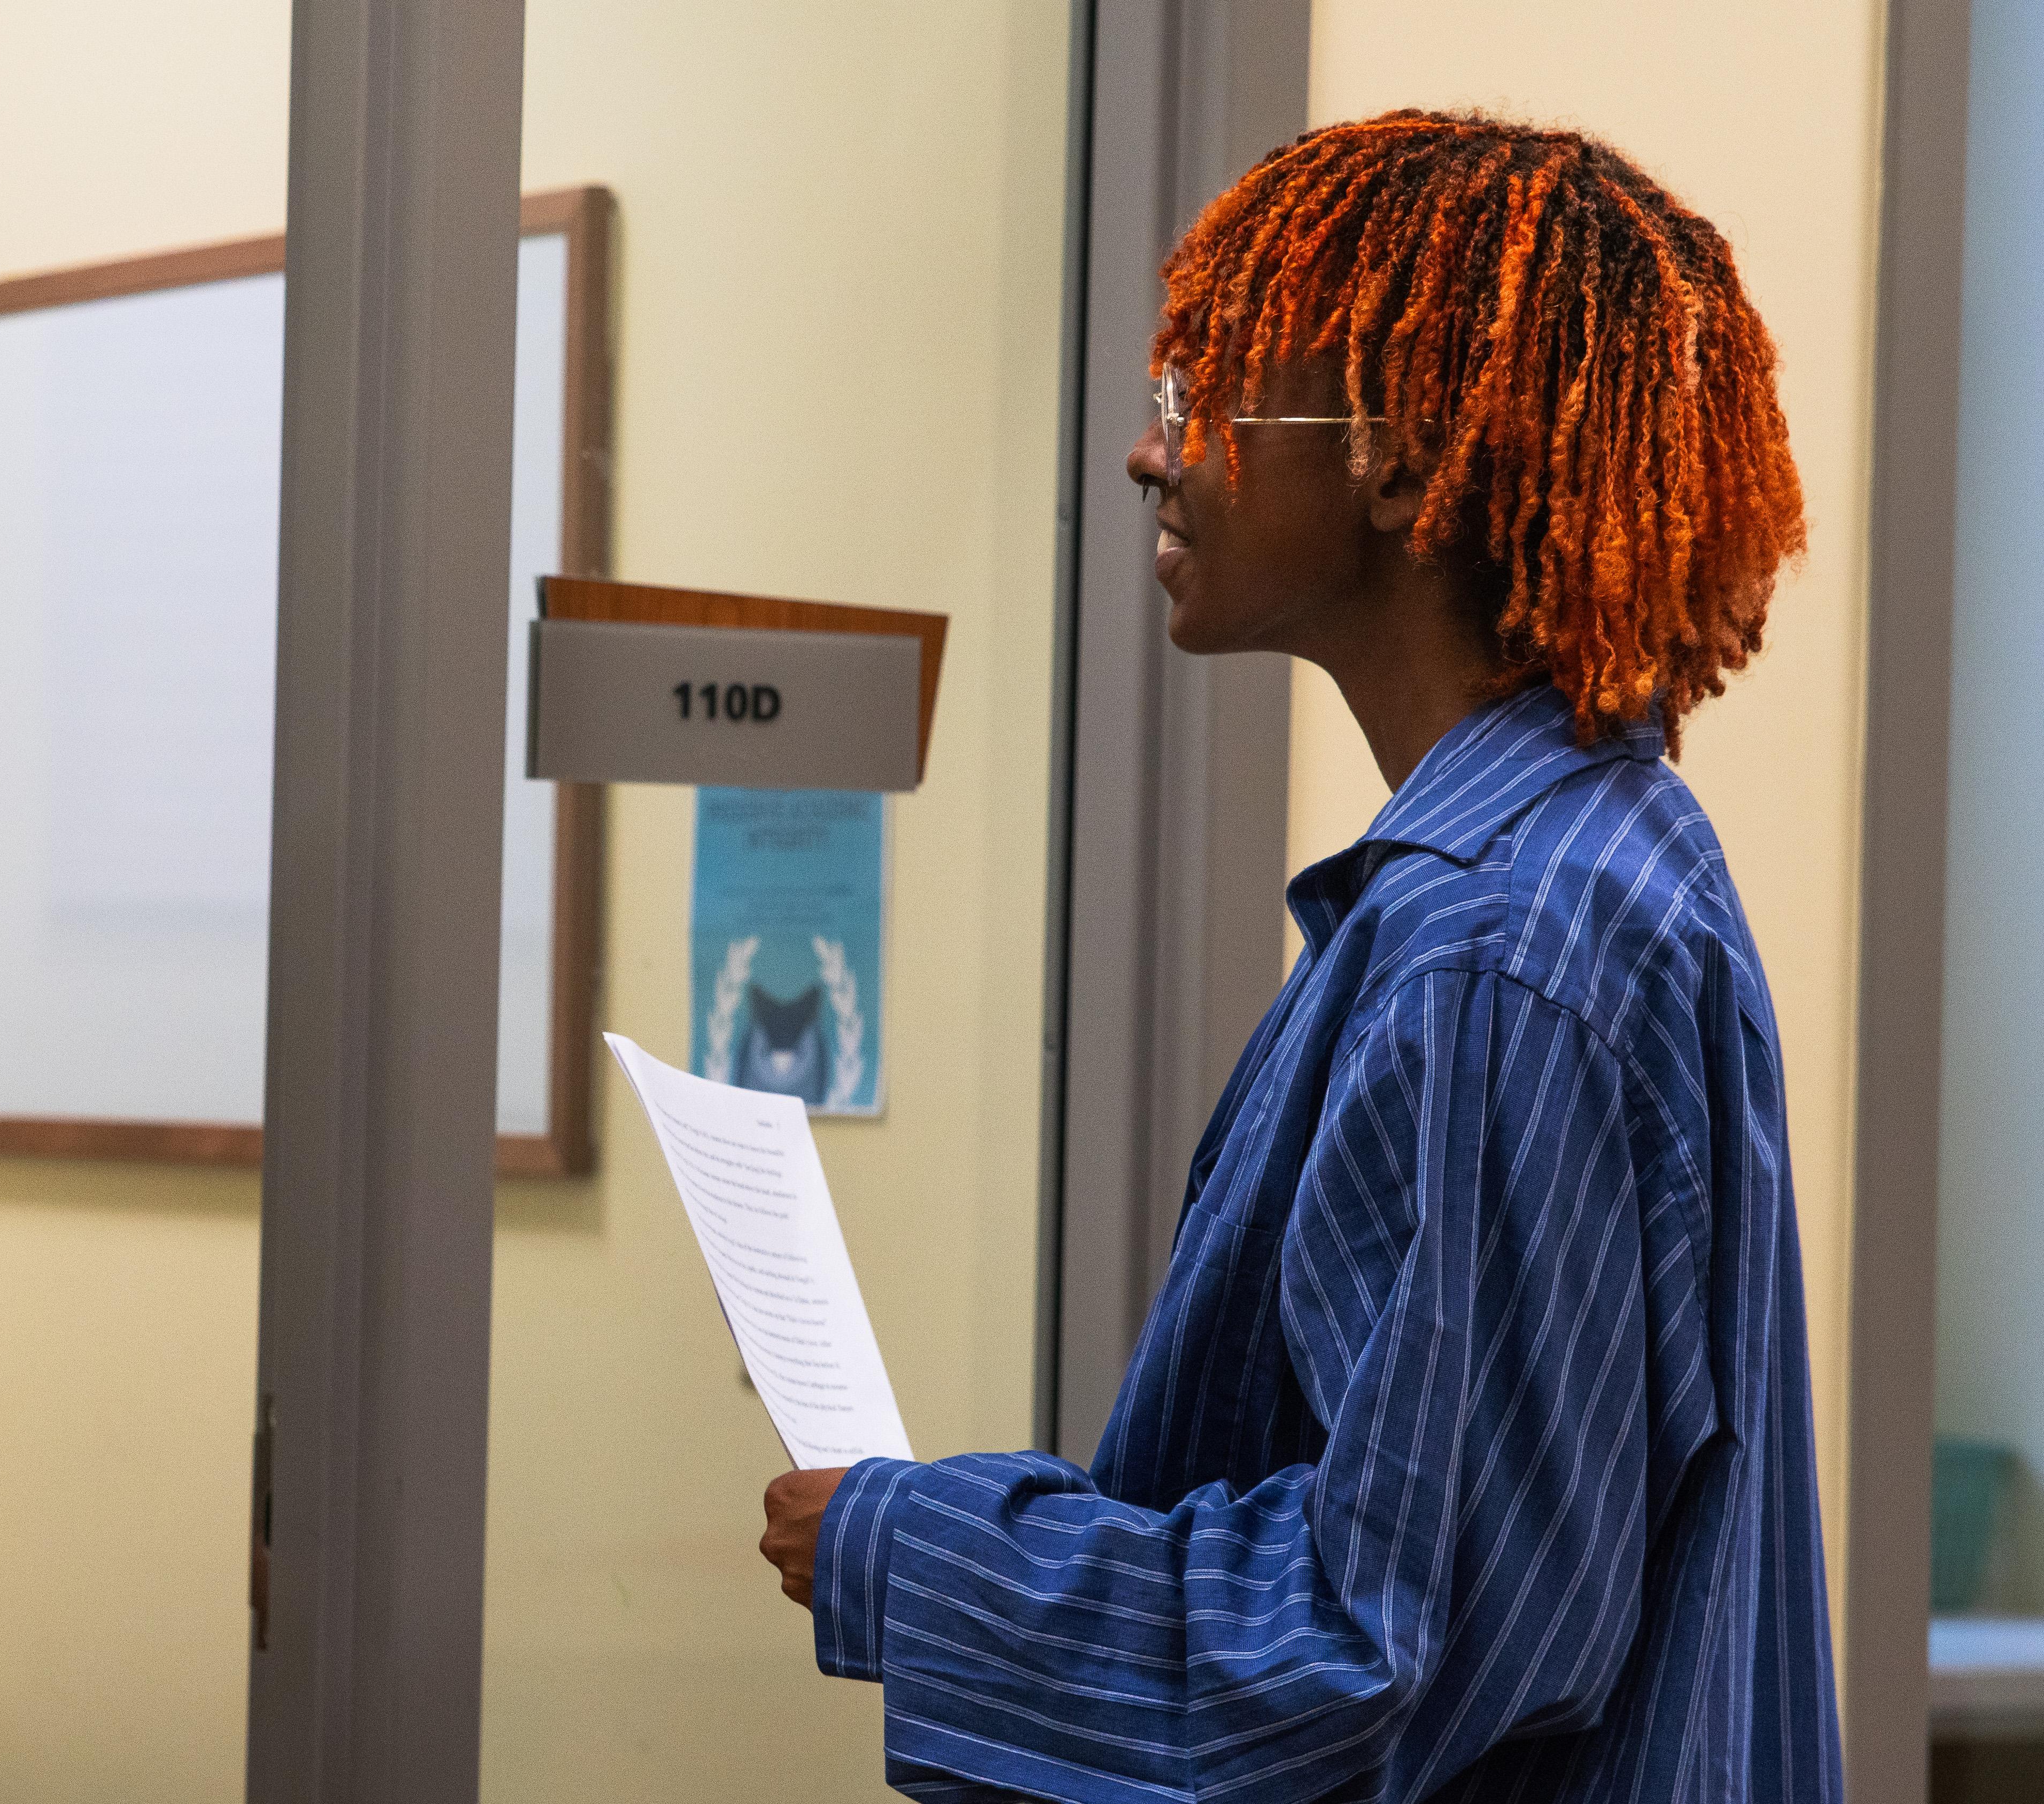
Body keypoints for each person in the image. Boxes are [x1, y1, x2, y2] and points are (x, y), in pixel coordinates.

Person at [759, 112, 1835, 1799]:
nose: (1149, 455)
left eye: (1206, 396)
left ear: (1401, 462)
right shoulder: (1583, 863)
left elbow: (1388, 1643)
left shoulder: (1501, 947)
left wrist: (917, 1552)